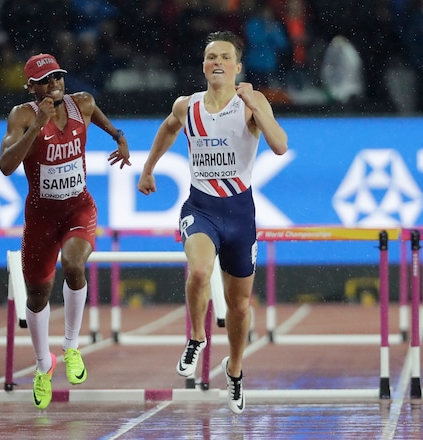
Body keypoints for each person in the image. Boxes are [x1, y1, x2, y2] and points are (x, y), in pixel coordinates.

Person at [137, 31, 288, 415]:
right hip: (200, 208)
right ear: (203, 66)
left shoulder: (251, 104)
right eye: (210, 57)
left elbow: (280, 145)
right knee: (200, 271)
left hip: (240, 214)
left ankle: (234, 369)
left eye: (224, 57)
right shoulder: (187, 106)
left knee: (238, 306)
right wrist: (149, 169)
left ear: (238, 67)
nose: (216, 62)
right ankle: (197, 337)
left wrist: (255, 103)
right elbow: (169, 128)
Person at [0, 53, 131, 410]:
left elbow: (101, 118)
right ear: (31, 87)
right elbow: (6, 166)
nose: (53, 83)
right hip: (41, 218)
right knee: (37, 296)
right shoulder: (22, 115)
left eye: (57, 76)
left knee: (74, 265)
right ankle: (44, 365)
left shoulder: (82, 103)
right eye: (45, 80)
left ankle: (71, 346)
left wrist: (118, 136)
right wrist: (36, 126)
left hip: (78, 208)